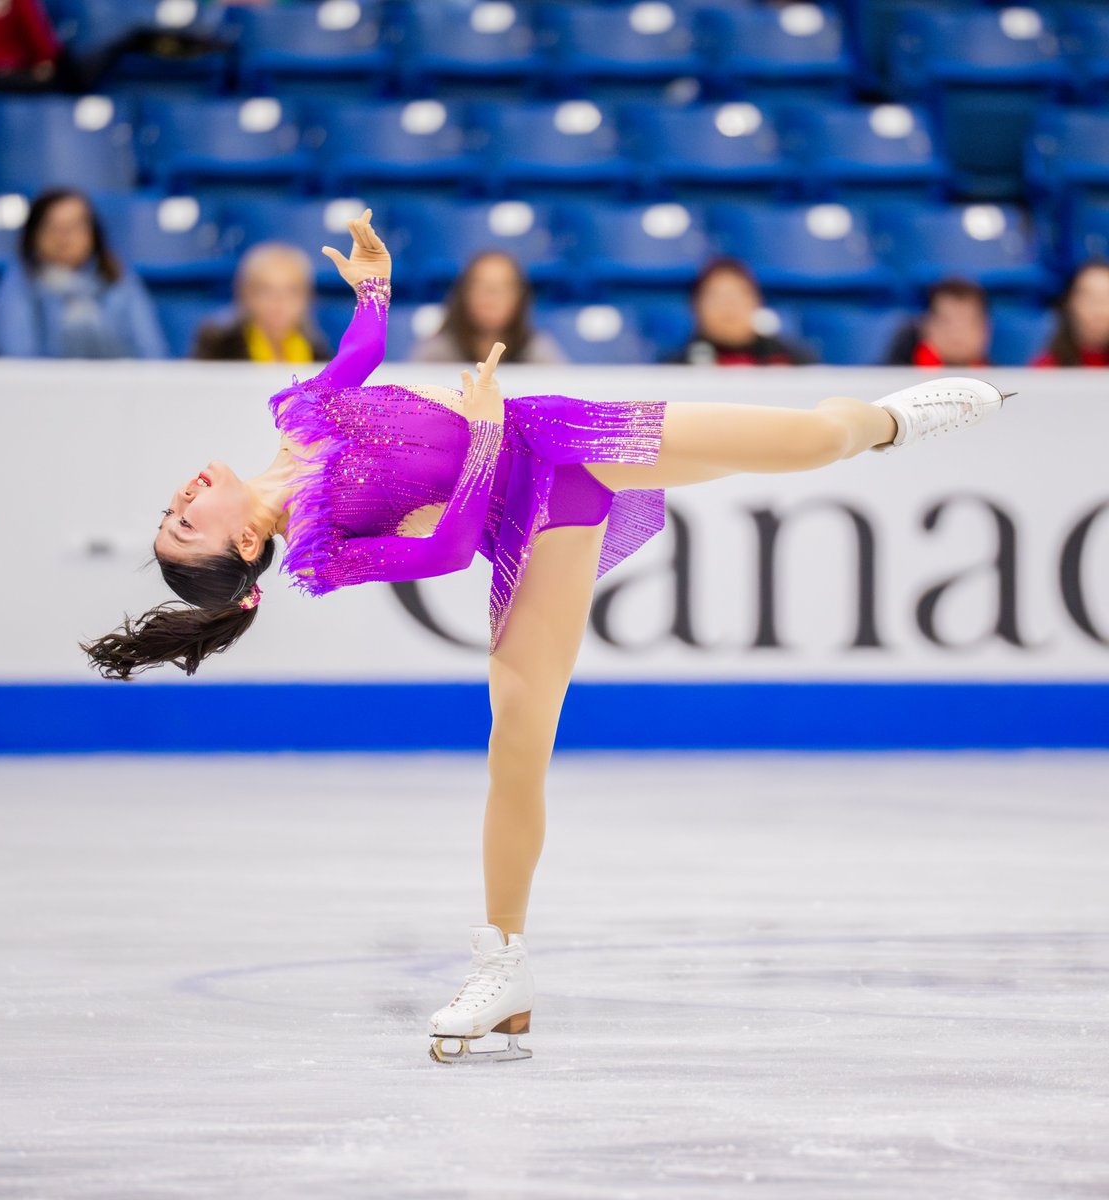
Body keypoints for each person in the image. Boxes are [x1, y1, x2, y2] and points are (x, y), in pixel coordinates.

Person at [79, 210, 1014, 1066]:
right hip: (530, 529)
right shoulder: (322, 550)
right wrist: (479, 432)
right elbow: (448, 549)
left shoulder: (295, 417)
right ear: (248, 545)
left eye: (173, 508)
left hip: (563, 439)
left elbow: (359, 355)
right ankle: (503, 962)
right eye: (186, 524)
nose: (185, 497)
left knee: (805, 442)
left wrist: (374, 284)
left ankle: (891, 421)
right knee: (516, 739)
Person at [0, 187, 168, 360]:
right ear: (34, 234)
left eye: (74, 226)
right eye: (53, 227)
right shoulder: (19, 280)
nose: (63, 237)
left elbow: (153, 353)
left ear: (93, 234)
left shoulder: (119, 278)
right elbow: (16, 358)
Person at [411, 249, 566, 364]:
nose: (491, 297)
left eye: (504, 288)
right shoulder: (435, 355)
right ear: (463, 295)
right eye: (482, 286)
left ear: (520, 298)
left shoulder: (539, 353)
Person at [192, 241, 332, 363]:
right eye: (266, 291)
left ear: (307, 297)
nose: (279, 303)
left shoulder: (318, 354)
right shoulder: (219, 346)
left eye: (292, 292)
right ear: (246, 294)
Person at [667, 256, 814, 366]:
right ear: (696, 305)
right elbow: (650, 407)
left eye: (738, 296)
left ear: (757, 302)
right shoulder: (673, 368)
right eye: (717, 297)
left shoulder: (793, 362)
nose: (729, 306)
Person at [885, 278, 992, 368]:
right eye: (946, 322)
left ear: (985, 328)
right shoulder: (888, 376)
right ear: (926, 325)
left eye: (966, 323)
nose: (956, 334)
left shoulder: (1001, 382)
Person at [1032, 259, 1109, 368]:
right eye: (1088, 298)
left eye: (1106, 299)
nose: (1098, 310)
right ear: (1070, 303)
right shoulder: (1047, 368)